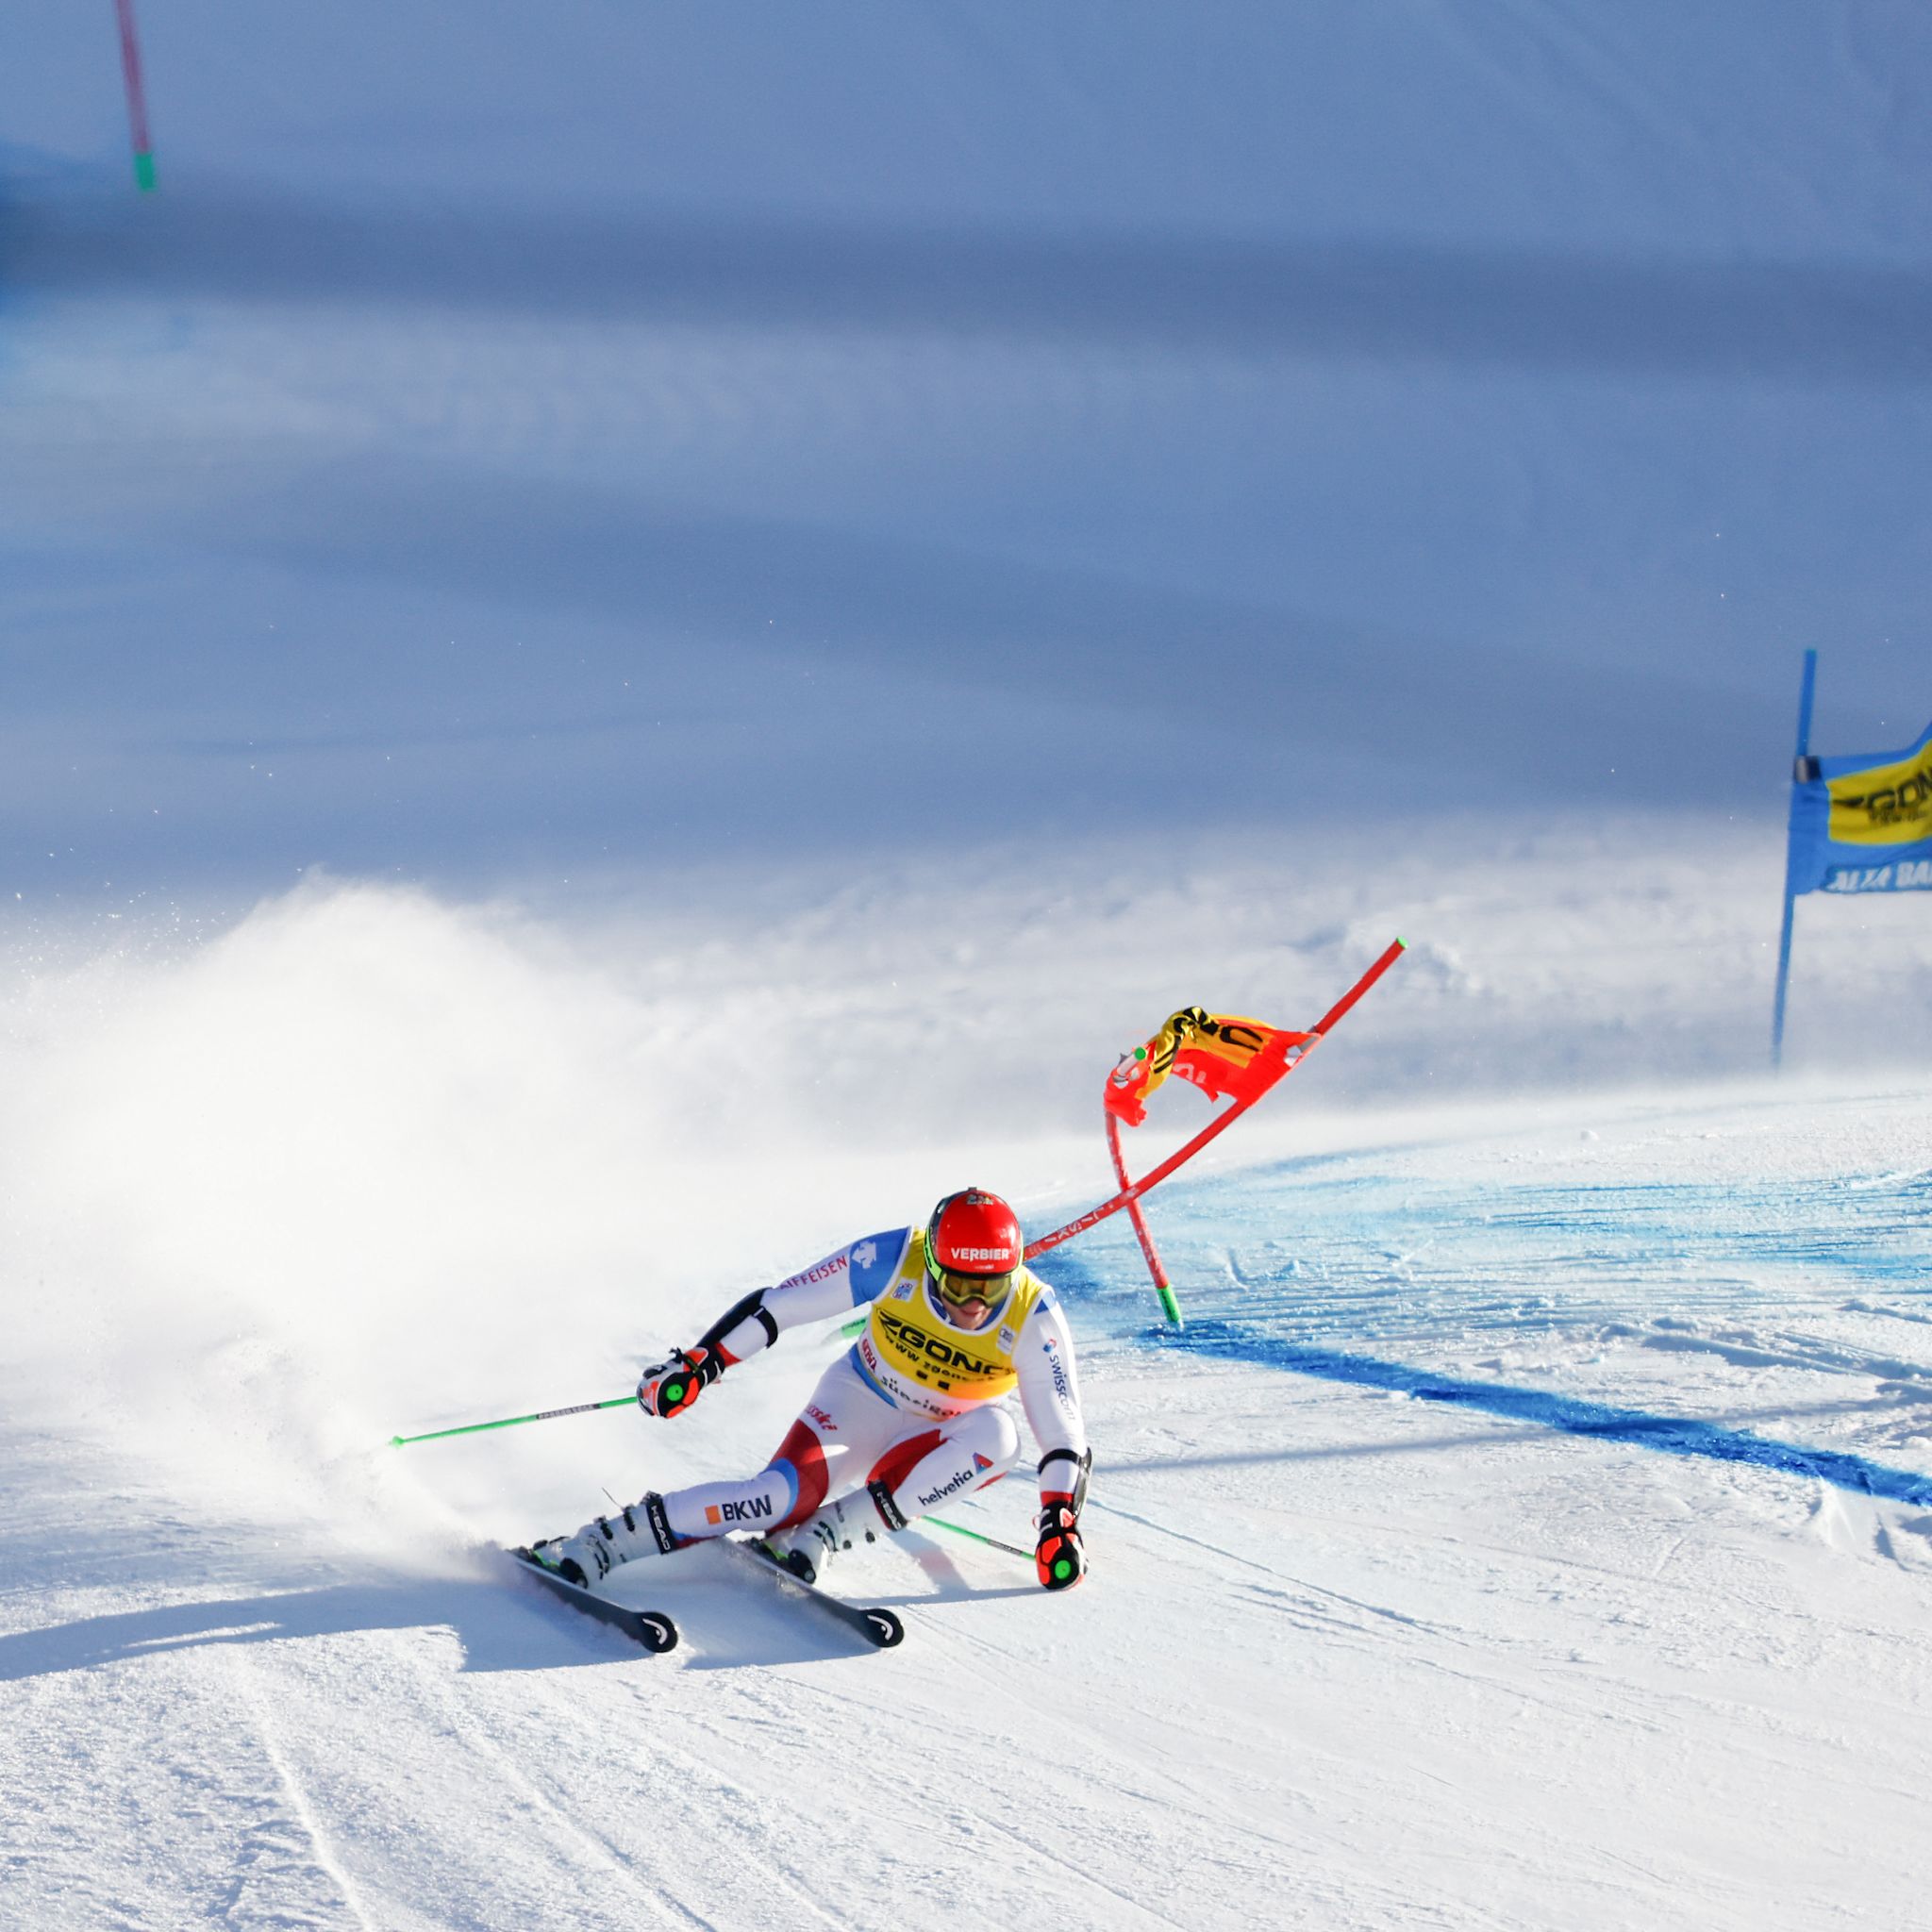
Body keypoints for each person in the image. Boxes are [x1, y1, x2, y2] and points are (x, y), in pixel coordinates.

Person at [532, 1188, 1091, 1593]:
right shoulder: (895, 1257)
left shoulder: (1032, 1314)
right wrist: (703, 1363)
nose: (974, 1305)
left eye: (990, 1288)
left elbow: (1064, 1435)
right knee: (775, 1499)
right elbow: (780, 1306)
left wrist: (1058, 1521)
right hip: (860, 1401)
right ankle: (602, 1542)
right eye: (960, 1284)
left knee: (1000, 1436)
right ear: (932, 1264)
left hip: (933, 1440)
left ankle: (825, 1532)